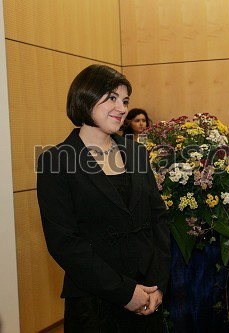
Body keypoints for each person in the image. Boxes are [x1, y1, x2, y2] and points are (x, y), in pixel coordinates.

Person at [36, 64, 171, 332]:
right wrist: (125, 292)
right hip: (94, 302)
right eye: (111, 97)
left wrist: (159, 285)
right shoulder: (56, 161)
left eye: (125, 100)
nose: (121, 107)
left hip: (148, 295)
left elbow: (159, 221)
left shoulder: (135, 152)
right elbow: (64, 243)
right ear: (84, 97)